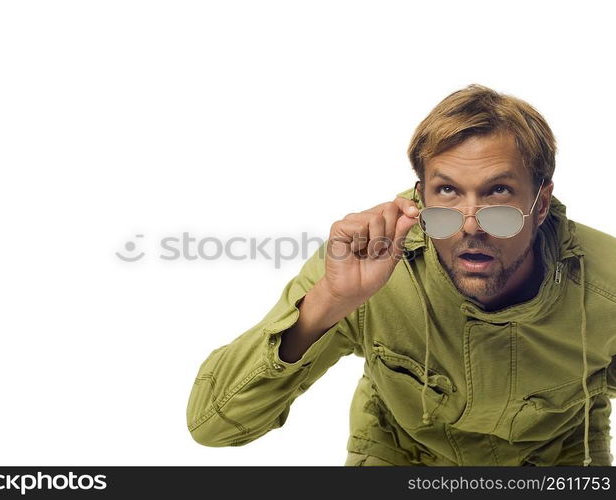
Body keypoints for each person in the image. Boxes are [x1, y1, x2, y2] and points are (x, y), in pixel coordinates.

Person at [186, 84, 616, 466]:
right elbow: (212, 425)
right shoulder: (368, 262)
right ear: (420, 196)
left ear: (540, 205)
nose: (470, 225)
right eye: (447, 191)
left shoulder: (606, 281)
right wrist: (329, 303)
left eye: (497, 192)